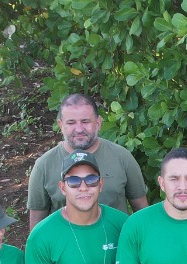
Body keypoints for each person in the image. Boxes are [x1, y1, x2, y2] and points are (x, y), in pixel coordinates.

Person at [24, 93, 149, 229]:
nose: (79, 129)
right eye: (71, 123)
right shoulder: (44, 165)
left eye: (85, 121)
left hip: (117, 240)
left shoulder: (122, 157)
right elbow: (37, 224)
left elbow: (142, 211)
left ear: (98, 123)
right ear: (61, 125)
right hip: (67, 241)